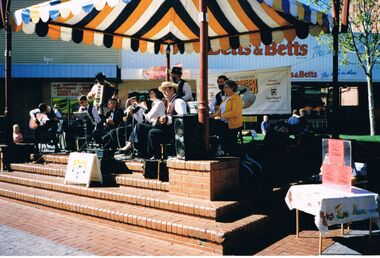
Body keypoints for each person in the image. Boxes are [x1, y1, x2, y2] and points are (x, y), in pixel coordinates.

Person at [132, 81, 188, 159]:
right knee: (140, 126)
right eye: (163, 91)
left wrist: (167, 119)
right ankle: (142, 153)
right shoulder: (168, 102)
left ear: (172, 89)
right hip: (164, 128)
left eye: (165, 90)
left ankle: (156, 157)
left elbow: (182, 117)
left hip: (172, 132)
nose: (163, 92)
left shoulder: (178, 101)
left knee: (153, 133)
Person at [211, 80, 243, 156]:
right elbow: (220, 110)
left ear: (232, 88)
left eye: (226, 87)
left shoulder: (236, 98)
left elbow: (235, 112)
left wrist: (222, 116)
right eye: (224, 88)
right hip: (224, 123)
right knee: (222, 137)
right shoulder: (226, 98)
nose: (224, 89)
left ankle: (232, 156)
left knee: (229, 141)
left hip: (233, 124)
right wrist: (212, 116)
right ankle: (223, 151)